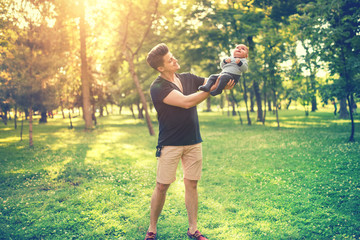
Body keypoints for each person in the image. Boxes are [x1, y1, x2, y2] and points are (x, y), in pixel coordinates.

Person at [144, 43, 235, 240]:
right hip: (170, 143)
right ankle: (152, 228)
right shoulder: (158, 87)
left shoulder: (187, 78)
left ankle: (193, 229)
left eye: (172, 55)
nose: (174, 59)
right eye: (170, 60)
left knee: (191, 184)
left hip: (193, 141)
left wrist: (231, 68)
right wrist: (212, 89)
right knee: (162, 186)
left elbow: (213, 81)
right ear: (161, 68)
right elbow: (187, 102)